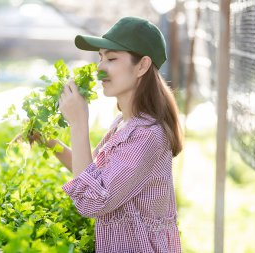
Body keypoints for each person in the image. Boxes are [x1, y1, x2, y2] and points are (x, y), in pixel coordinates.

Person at [46, 16, 183, 253]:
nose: (100, 67)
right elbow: (91, 176)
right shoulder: (124, 123)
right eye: (100, 57)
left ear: (142, 65)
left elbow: (91, 201)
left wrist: (78, 123)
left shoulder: (147, 136)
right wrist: (48, 142)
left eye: (111, 58)